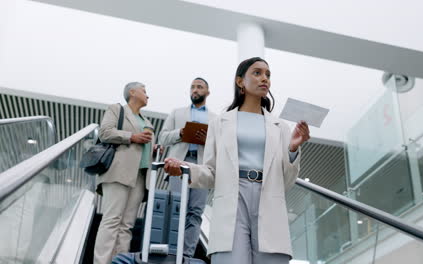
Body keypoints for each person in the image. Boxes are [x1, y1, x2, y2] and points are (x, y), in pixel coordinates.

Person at [164, 57, 310, 264]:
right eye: (257, 73)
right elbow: (212, 172)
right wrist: (186, 168)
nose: (264, 79)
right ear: (240, 81)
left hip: (268, 199)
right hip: (233, 198)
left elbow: (286, 182)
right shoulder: (219, 123)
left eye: (268, 75)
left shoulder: (281, 127)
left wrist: (293, 149)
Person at [94, 82, 155, 264]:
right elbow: (105, 132)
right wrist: (131, 137)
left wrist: (153, 147)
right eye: (144, 91)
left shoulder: (147, 122)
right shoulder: (116, 109)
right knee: (112, 220)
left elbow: (145, 147)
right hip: (118, 172)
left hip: (139, 176)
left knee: (127, 225)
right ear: (132, 92)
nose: (147, 95)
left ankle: (120, 261)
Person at [158, 77, 217, 257]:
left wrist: (209, 139)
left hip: (202, 168)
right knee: (177, 207)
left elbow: (220, 145)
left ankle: (187, 255)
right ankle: (172, 252)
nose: (195, 90)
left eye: (199, 87)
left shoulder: (216, 119)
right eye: (192, 87)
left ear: (207, 92)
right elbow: (163, 138)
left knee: (195, 212)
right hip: (178, 164)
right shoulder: (177, 113)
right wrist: (182, 132)